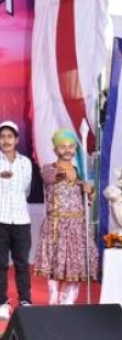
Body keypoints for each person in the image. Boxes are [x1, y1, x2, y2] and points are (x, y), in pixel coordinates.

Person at [34, 128, 99, 305]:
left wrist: (89, 190)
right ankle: (54, 294)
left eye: (71, 146)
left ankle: (68, 299)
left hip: (77, 225)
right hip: (57, 224)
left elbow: (89, 198)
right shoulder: (49, 169)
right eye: (62, 146)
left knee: (76, 264)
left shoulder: (80, 172)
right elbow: (49, 178)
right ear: (55, 150)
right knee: (56, 261)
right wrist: (77, 180)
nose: (68, 150)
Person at [0, 120, 33, 320]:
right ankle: (2, 303)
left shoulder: (25, 163)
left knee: (22, 263)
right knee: (0, 263)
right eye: (2, 137)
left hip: (21, 220)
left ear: (17, 140)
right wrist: (2, 174)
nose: (6, 140)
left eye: (10, 137)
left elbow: (26, 190)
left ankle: (25, 301)